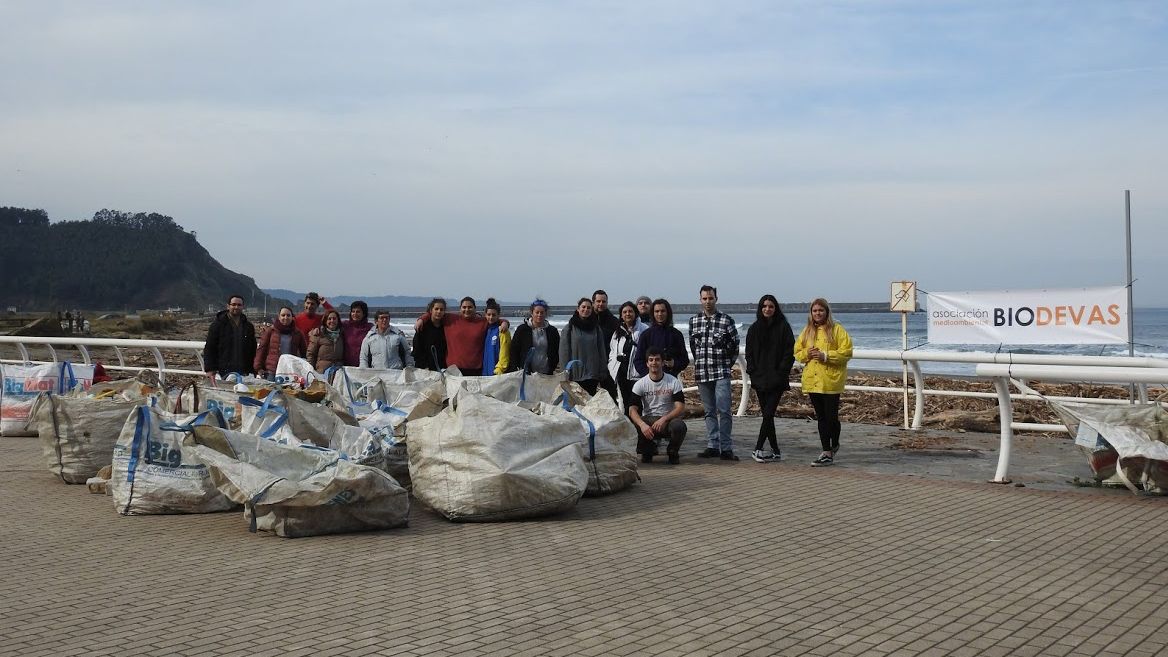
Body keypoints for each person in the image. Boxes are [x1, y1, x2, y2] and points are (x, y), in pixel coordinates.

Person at [795, 298, 853, 467]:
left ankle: (834, 443)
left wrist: (825, 356)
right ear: (811, 313)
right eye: (814, 311)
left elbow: (846, 352)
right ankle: (826, 451)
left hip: (830, 381)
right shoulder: (807, 331)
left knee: (832, 418)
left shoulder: (837, 330)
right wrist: (807, 353)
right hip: (813, 380)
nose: (817, 313)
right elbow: (797, 352)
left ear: (827, 312)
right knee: (821, 418)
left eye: (821, 310)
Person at [690, 285, 740, 461]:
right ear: (700, 300)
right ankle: (712, 445)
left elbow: (734, 345)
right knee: (709, 411)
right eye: (704, 298)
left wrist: (727, 364)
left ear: (716, 299)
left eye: (710, 298)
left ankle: (726, 448)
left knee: (724, 410)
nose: (708, 301)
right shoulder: (694, 321)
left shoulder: (727, 320)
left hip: (721, 372)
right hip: (703, 373)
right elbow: (693, 347)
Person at [745, 294, 795, 462]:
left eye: (771, 306)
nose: (767, 309)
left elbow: (790, 352)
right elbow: (749, 353)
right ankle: (775, 450)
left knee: (768, 414)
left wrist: (782, 371)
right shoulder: (754, 329)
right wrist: (752, 371)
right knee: (768, 416)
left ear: (776, 308)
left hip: (777, 380)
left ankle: (758, 448)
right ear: (760, 308)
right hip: (759, 379)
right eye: (764, 306)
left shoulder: (783, 327)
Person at [629, 348, 688, 465]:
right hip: (649, 420)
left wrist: (664, 419)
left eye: (657, 360)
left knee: (679, 426)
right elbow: (632, 410)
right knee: (633, 425)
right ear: (647, 363)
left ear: (662, 362)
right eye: (651, 360)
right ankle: (648, 450)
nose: (654, 363)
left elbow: (680, 407)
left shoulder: (673, 381)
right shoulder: (640, 384)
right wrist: (642, 425)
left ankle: (672, 451)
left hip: (667, 420)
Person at [559, 297, 609, 396]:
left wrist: (603, 370)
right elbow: (564, 352)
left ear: (592, 310)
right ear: (578, 309)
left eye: (589, 308)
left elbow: (601, 351)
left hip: (592, 375)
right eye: (583, 307)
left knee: (590, 405)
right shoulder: (569, 328)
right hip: (575, 375)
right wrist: (564, 372)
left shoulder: (596, 328)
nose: (586, 310)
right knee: (576, 405)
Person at [203, 294, 257, 378]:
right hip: (222, 370)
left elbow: (252, 349)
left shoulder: (248, 326)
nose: (236, 307)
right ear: (228, 306)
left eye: (239, 305)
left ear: (243, 307)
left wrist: (253, 369)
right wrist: (210, 369)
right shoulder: (218, 325)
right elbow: (210, 348)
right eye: (234, 304)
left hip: (244, 370)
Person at [608, 301, 647, 414]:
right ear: (621, 315)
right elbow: (612, 351)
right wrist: (612, 367)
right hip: (621, 373)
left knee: (637, 404)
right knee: (625, 403)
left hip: (637, 374)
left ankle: (639, 429)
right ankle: (630, 429)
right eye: (624, 312)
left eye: (630, 311)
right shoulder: (617, 332)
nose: (627, 314)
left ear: (635, 313)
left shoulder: (644, 330)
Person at [634, 299, 689, 378]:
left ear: (668, 313)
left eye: (663, 311)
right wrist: (649, 375)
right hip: (650, 380)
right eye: (657, 311)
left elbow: (684, 360)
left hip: (671, 378)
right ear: (653, 313)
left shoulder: (676, 334)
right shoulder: (646, 335)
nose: (660, 314)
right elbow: (638, 360)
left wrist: (674, 364)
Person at [254, 306, 307, 379]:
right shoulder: (270, 331)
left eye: (288, 315)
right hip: (272, 371)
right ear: (279, 317)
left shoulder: (298, 333)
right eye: (283, 315)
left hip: (290, 371)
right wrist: (258, 368)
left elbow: (304, 352)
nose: (285, 317)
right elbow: (261, 349)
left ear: (292, 317)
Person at [510, 298, 559, 374]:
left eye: (542, 312)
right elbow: (514, 350)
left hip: (546, 373)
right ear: (532, 313)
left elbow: (557, 350)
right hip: (527, 373)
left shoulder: (552, 331)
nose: (539, 315)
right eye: (537, 312)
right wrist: (515, 367)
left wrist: (553, 365)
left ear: (546, 313)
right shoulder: (522, 329)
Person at [592, 290, 620, 401]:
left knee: (610, 396)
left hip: (608, 364)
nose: (601, 304)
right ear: (593, 302)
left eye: (603, 301)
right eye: (598, 301)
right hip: (591, 364)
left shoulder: (613, 322)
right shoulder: (587, 320)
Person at [412, 298, 449, 371]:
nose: (439, 311)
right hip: (424, 368)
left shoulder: (446, 327)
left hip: (442, 368)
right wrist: (424, 366)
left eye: (441, 309)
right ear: (431, 310)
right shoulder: (422, 326)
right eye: (436, 309)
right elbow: (417, 349)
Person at [482, 298, 511, 375]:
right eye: (489, 315)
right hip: (485, 372)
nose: (491, 317)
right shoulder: (485, 330)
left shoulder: (502, 331)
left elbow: (505, 352)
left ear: (498, 315)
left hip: (497, 373)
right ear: (485, 315)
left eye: (494, 315)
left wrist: (500, 369)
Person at [341, 300, 372, 367]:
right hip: (346, 367)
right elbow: (331, 320)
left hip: (365, 366)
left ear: (364, 313)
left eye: (358, 312)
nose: (355, 314)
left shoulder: (370, 328)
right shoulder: (345, 325)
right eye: (353, 311)